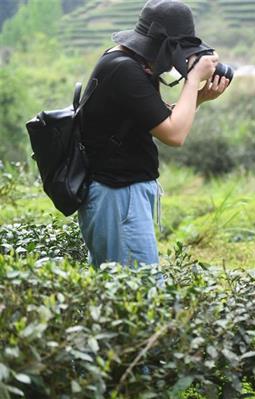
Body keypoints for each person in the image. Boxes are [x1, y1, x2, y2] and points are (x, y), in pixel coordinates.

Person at [78, 0, 230, 267]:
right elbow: (174, 135)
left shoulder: (130, 62)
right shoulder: (124, 69)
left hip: (120, 194)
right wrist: (193, 79)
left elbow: (160, 118)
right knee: (142, 292)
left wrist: (199, 98)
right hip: (119, 195)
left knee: (119, 294)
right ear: (164, 46)